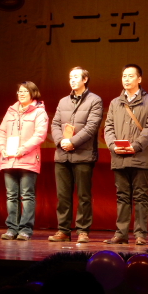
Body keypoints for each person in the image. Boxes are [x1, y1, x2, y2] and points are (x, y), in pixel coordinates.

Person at [103, 64, 148, 245]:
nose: (126, 79)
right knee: (122, 196)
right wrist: (112, 146)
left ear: (139, 79)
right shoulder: (115, 102)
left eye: (130, 76)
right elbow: (108, 127)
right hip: (119, 156)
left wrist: (135, 146)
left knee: (141, 196)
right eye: (124, 76)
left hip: (139, 156)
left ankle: (140, 234)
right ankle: (121, 233)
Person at [48, 67, 103, 243]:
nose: (72, 80)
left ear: (85, 79)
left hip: (83, 154)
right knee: (63, 195)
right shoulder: (63, 101)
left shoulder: (95, 100)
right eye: (70, 77)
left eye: (76, 77)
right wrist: (60, 141)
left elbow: (91, 127)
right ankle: (63, 230)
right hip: (62, 154)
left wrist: (73, 142)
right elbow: (55, 124)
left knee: (83, 195)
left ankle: (83, 231)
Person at [0, 81, 48, 241]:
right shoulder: (11, 111)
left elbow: (40, 135)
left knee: (27, 195)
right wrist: (2, 148)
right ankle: (12, 228)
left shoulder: (39, 112)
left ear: (33, 93)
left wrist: (23, 149)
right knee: (11, 196)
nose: (21, 94)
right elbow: (1, 131)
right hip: (9, 159)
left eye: (25, 91)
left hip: (28, 159)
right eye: (19, 91)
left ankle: (25, 229)